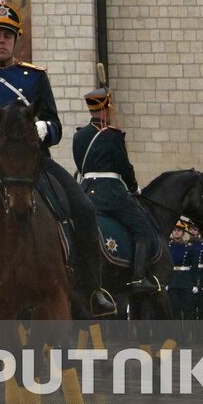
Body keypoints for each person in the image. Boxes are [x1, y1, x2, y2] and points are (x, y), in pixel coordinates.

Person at [0, 0, 116, 318]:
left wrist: (42, 128)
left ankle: (93, 288)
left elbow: (55, 124)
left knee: (83, 207)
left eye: (7, 35)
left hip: (34, 165)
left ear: (16, 40)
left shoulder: (34, 77)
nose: (1, 41)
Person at [72, 84, 158, 294]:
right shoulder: (111, 135)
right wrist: (134, 187)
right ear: (106, 109)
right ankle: (138, 278)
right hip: (110, 192)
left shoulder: (79, 135)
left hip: (85, 190)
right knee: (143, 228)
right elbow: (123, 166)